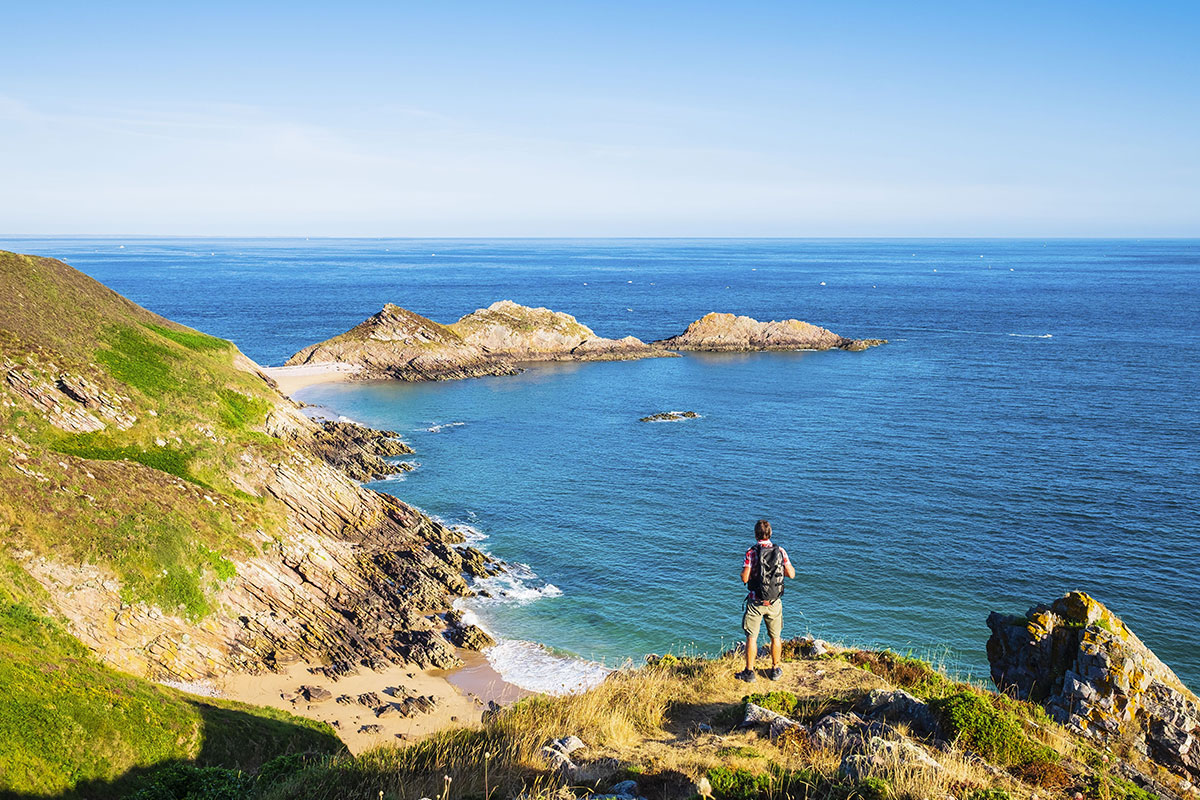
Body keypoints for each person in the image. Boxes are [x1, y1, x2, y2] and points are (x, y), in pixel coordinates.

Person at [737, 519, 795, 681]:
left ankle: (749, 672)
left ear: (756, 535)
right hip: (774, 602)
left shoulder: (751, 552)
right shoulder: (780, 551)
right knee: (775, 637)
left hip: (756, 602)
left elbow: (744, 578)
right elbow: (791, 574)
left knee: (751, 637)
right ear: (770, 533)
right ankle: (775, 669)